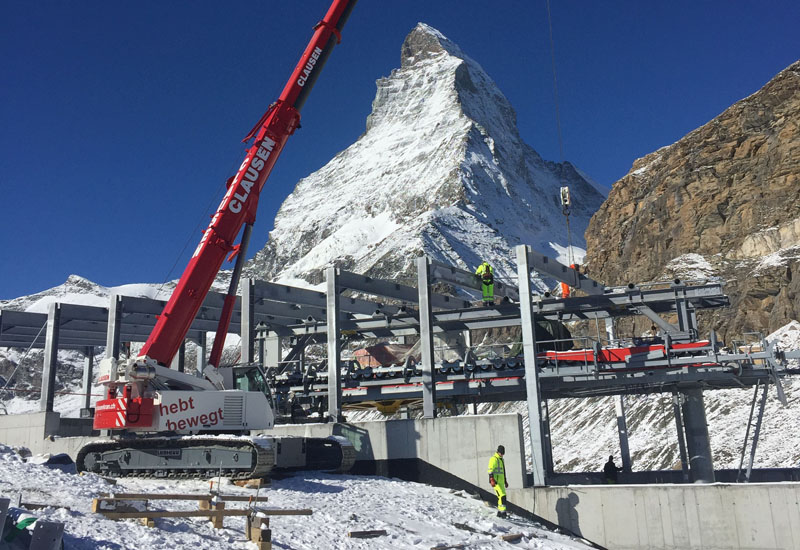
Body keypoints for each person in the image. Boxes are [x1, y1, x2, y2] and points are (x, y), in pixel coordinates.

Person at [487, 445, 508, 517]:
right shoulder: (494, 459)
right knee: (502, 496)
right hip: (496, 482)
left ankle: (500, 512)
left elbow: (503, 471)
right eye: (501, 453)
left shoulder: (501, 460)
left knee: (502, 496)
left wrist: (505, 480)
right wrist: (492, 479)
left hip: (501, 482)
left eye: (503, 454)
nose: (502, 455)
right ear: (498, 452)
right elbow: (490, 470)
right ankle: (502, 513)